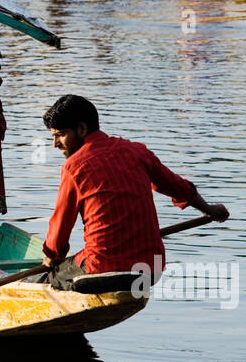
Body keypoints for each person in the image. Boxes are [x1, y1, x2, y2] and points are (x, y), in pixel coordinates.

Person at [39, 94, 228, 286]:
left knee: (47, 281)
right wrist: (209, 210)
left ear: (81, 129)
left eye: (60, 135)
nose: (55, 144)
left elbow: (61, 225)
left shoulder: (74, 167)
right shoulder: (136, 152)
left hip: (103, 267)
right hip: (151, 268)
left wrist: (53, 256)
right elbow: (179, 187)